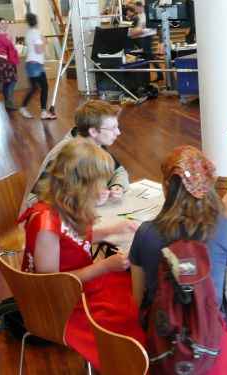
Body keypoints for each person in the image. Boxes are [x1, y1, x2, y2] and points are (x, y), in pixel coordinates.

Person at [18, 138, 146, 370]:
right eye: (100, 182)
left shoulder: (64, 204)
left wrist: (114, 229)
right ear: (81, 184)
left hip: (84, 286)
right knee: (133, 324)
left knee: (142, 300)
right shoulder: (46, 223)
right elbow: (51, 285)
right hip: (65, 303)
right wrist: (105, 266)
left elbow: (75, 238)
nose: (104, 188)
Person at [129, 145, 227, 374]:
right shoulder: (224, 228)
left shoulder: (145, 233)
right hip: (213, 351)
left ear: (166, 186)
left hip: (163, 349)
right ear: (207, 186)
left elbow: (140, 300)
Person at [28, 100, 129, 204]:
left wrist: (117, 185)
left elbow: (119, 171)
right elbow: (34, 201)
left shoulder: (98, 145)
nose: (118, 132)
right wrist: (86, 201)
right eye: (112, 128)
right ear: (93, 132)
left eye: (116, 126)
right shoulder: (65, 154)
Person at [19, 13, 56, 120]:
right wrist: (44, 42)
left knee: (35, 88)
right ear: (36, 21)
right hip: (36, 65)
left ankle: (25, 108)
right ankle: (41, 112)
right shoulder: (36, 33)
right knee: (44, 87)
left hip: (31, 64)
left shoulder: (29, 33)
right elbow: (39, 50)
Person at [0, 17, 20, 111]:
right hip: (5, 61)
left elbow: (11, 46)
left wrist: (11, 36)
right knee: (10, 81)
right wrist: (14, 35)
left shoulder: (4, 34)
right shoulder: (0, 35)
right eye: (2, 24)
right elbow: (13, 46)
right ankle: (9, 103)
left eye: (5, 23)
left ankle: (9, 103)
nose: (5, 25)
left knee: (7, 82)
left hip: (6, 60)